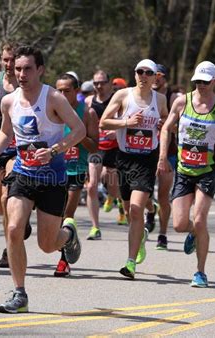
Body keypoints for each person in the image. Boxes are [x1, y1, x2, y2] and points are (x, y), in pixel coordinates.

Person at [0, 45, 85, 313]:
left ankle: (68, 234)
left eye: (27, 68)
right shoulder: (8, 101)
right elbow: (5, 132)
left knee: (47, 245)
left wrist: (55, 150)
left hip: (52, 177)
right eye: (18, 69)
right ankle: (19, 293)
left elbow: (80, 130)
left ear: (40, 70)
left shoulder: (54, 99)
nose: (22, 74)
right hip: (23, 173)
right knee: (13, 228)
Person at [158, 61, 215, 287]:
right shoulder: (182, 101)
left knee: (201, 220)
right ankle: (193, 232)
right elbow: (166, 128)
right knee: (179, 224)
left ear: (214, 81)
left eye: (205, 82)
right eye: (197, 81)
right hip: (184, 170)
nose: (200, 85)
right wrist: (163, 156)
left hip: (207, 172)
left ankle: (200, 272)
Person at [100, 59, 168, 279]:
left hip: (147, 159)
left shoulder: (160, 99)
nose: (143, 76)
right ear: (135, 74)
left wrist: (163, 126)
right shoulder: (123, 96)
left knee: (137, 209)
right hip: (125, 158)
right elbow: (104, 122)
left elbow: (168, 123)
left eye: (149, 72)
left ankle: (130, 263)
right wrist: (126, 123)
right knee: (129, 210)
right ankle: (140, 240)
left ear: (155, 76)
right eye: (140, 71)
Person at [0, 42, 29, 269]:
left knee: (5, 197)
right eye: (5, 60)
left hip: (17, 148)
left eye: (13, 60)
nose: (9, 65)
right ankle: (19, 225)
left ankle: (9, 248)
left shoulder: (25, 84)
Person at [54, 72, 99, 277]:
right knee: (54, 218)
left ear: (77, 92)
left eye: (67, 91)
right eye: (59, 90)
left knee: (67, 215)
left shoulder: (87, 113)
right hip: (53, 169)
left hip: (76, 170)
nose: (62, 94)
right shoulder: (52, 111)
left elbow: (94, 147)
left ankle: (63, 261)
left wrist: (77, 134)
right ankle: (69, 239)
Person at [144, 64, 182, 250]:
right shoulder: (144, 96)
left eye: (159, 75)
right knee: (144, 194)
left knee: (163, 195)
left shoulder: (173, 98)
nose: (155, 78)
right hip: (147, 152)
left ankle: (162, 234)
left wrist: (167, 125)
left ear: (164, 77)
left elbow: (181, 128)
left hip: (169, 152)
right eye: (153, 74)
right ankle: (150, 211)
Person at [86, 70, 126, 240]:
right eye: (96, 83)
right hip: (97, 148)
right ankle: (95, 227)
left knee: (113, 186)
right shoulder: (89, 101)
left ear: (110, 83)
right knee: (91, 185)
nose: (99, 86)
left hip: (115, 147)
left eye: (102, 82)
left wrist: (116, 132)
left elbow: (129, 121)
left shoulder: (118, 100)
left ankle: (117, 200)